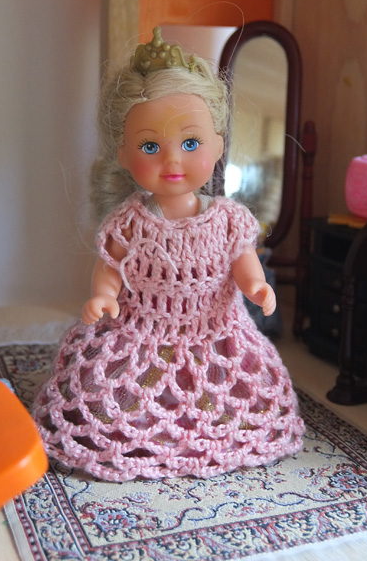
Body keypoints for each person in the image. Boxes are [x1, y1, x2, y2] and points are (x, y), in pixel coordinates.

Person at [32, 27, 305, 482]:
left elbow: (243, 262)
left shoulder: (226, 219)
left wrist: (256, 286)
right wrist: (103, 295)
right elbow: (111, 265)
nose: (172, 160)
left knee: (229, 392)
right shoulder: (131, 221)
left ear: (218, 144)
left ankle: (210, 428)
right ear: (124, 154)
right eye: (150, 147)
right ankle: (141, 430)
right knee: (107, 393)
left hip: (213, 330)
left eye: (191, 143)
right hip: (140, 329)